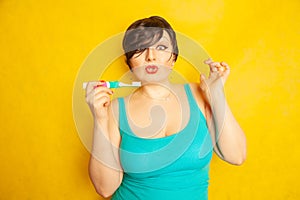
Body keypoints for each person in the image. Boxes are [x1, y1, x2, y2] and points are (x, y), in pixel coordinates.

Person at [85, 16, 246, 200]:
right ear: (129, 63)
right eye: (139, 49)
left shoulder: (200, 94)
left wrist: (216, 94)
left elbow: (236, 156)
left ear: (173, 58)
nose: (151, 56)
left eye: (161, 47)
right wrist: (100, 119)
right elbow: (105, 188)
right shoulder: (115, 109)